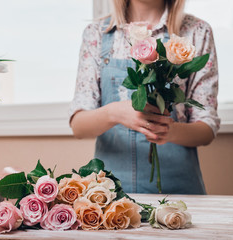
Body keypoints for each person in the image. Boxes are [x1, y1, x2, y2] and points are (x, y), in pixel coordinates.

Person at [69, 0, 220, 194]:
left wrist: (169, 131)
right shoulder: (97, 33)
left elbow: (206, 130)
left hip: (181, 197)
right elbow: (79, 126)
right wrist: (115, 113)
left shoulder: (197, 32)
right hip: (110, 199)